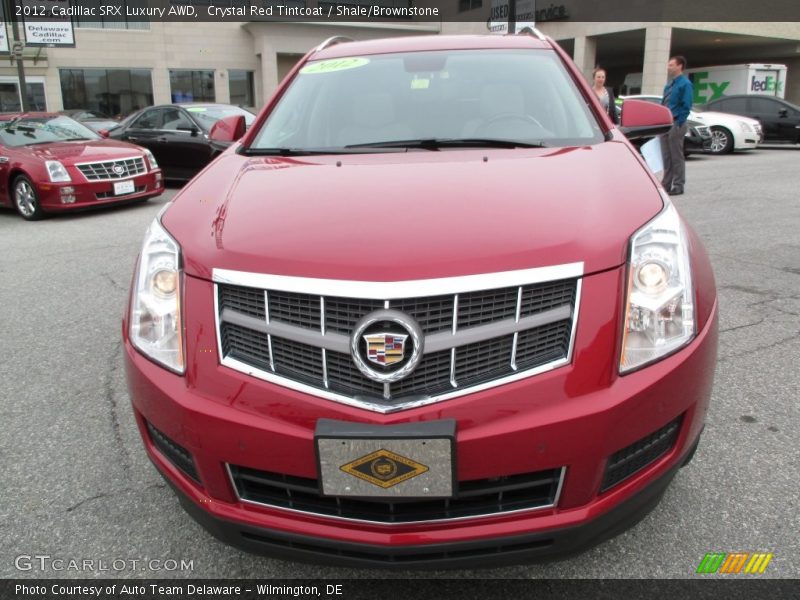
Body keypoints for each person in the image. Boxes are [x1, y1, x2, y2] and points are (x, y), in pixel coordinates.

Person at [660, 55, 693, 195]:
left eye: (671, 65)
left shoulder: (685, 84)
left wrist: (679, 122)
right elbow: (664, 103)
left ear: (680, 66)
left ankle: (678, 185)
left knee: (676, 156)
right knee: (666, 156)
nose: (669, 67)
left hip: (676, 122)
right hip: (665, 123)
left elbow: (687, 105)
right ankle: (666, 184)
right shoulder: (669, 85)